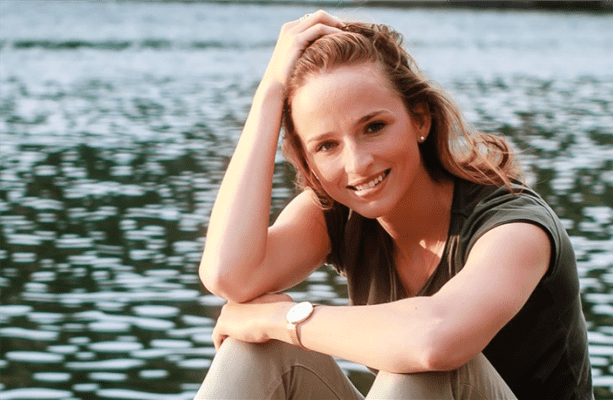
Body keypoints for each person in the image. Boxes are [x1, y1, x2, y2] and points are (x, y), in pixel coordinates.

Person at [194, 10, 593, 400]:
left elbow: (435, 341)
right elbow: (230, 276)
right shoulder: (338, 211)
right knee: (254, 351)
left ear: (420, 119)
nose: (357, 164)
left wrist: (280, 318)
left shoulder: (515, 227)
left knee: (421, 371)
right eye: (326, 145)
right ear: (307, 160)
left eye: (374, 127)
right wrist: (268, 94)